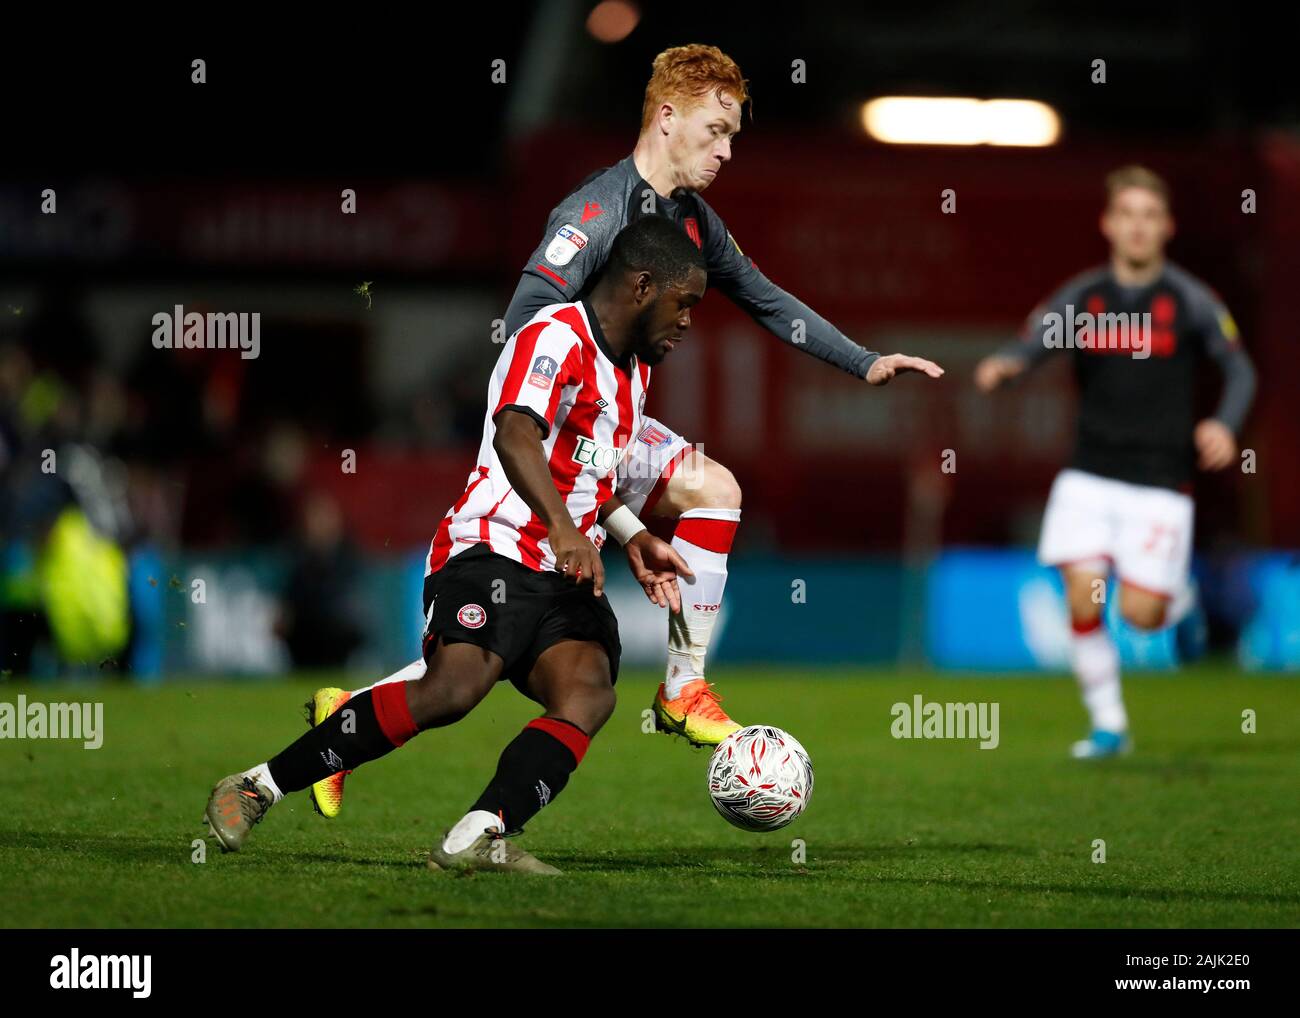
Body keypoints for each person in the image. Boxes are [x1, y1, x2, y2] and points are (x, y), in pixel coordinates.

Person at [304, 45, 944, 819]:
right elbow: (519, 334)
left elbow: (768, 298)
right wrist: (584, 468)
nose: (726, 150)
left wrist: (865, 363)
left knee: (715, 490)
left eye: (733, 136)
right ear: (667, 118)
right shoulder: (595, 215)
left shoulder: (693, 222)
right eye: (715, 131)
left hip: (612, 427)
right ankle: (358, 725)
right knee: (484, 655)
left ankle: (682, 686)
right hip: (545, 432)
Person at [205, 216, 705, 872]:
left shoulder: (632, 373)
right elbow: (516, 435)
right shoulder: (555, 337)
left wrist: (632, 533)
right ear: (643, 286)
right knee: (453, 690)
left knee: (589, 693)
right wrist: (560, 527)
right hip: (492, 546)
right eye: (684, 303)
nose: (689, 321)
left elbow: (588, 473)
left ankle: (481, 831)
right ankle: (258, 786)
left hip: (564, 566)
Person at [974, 165, 1256, 758]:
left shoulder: (1191, 301)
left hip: (1159, 484)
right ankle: (1108, 726)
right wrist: (1006, 365)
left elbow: (1239, 369)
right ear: (1108, 223)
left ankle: (1175, 599)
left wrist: (1223, 425)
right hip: (1089, 477)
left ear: (1167, 227)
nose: (1137, 227)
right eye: (1126, 214)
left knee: (1142, 615)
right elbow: (1032, 342)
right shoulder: (1086, 297)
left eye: (1149, 216)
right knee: (1084, 596)